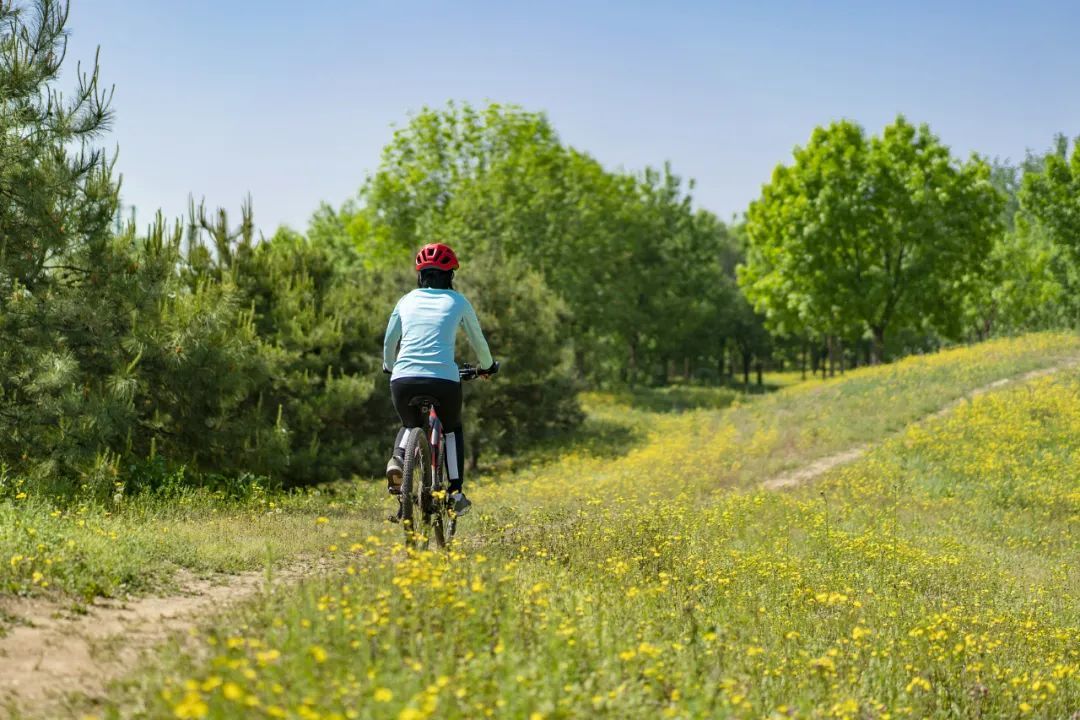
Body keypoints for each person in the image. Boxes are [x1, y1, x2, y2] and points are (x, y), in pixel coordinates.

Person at [382, 242, 497, 516]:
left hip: (403, 379)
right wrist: (487, 366)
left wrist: (390, 366)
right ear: (450, 276)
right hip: (443, 380)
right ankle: (456, 492)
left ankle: (398, 459)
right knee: (452, 427)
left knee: (409, 423)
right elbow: (479, 342)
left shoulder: (405, 300)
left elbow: (389, 341)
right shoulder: (458, 302)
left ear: (421, 276)